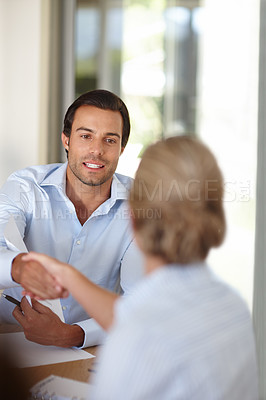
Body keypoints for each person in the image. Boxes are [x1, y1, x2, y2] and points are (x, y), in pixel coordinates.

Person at [22, 136, 258, 399]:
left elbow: (142, 325)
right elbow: (139, 314)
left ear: (131, 217)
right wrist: (69, 276)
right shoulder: (233, 305)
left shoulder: (136, 339)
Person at [0, 89, 143, 348]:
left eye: (109, 140)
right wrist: (17, 266)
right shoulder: (26, 186)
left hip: (89, 345)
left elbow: (140, 301)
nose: (96, 150)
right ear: (66, 140)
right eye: (86, 136)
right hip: (11, 336)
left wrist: (75, 334)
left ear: (122, 148)